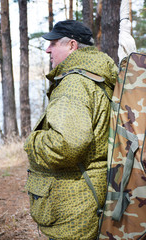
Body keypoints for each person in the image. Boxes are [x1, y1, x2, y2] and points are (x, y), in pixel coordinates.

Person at [24, 20, 118, 240]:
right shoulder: (97, 77)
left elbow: (66, 145)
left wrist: (32, 142)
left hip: (73, 207)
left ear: (73, 46)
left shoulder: (74, 84)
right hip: (88, 197)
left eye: (54, 43)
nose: (48, 49)